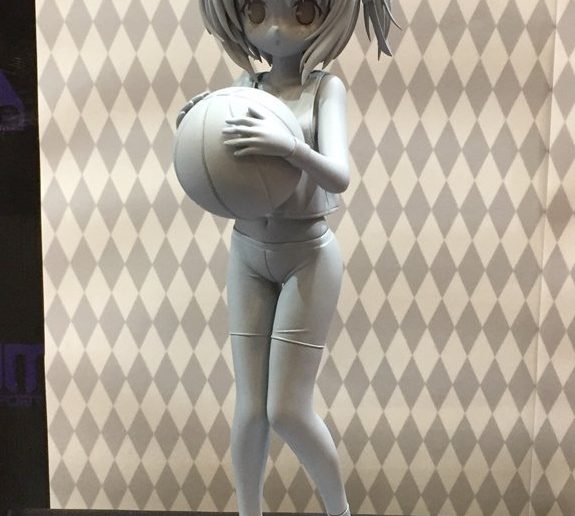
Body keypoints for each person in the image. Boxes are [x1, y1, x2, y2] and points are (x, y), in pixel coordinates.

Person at [176, 2, 396, 516]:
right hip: (247, 250)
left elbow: (339, 175)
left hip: (308, 255)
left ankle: (339, 511)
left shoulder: (326, 89)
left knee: (287, 410)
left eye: (301, 11)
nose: (276, 29)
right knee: (250, 408)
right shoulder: (243, 86)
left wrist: (290, 146)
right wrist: (195, 129)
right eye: (256, 10)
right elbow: (221, 163)